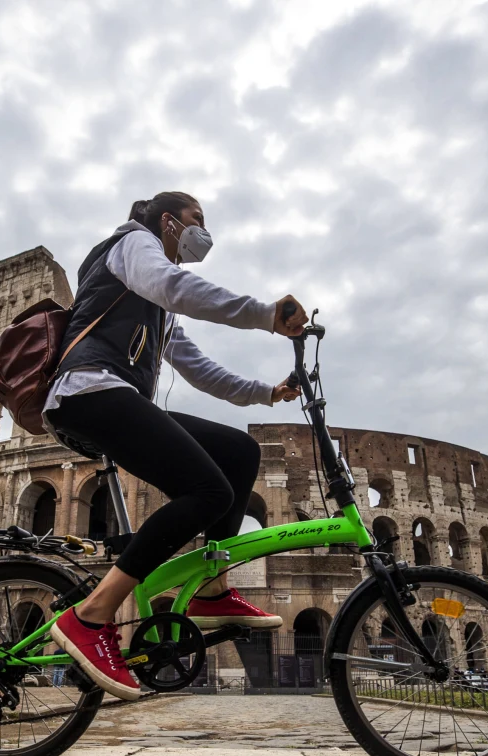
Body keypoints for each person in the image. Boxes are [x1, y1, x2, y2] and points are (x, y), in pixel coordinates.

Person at [45, 192, 308, 701]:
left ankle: (210, 590)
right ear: (167, 222)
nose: (203, 231)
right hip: (87, 390)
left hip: (114, 395)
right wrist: (264, 314)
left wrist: (265, 392)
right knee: (208, 491)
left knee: (239, 453)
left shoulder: (159, 312)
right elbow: (173, 284)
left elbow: (201, 370)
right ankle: (91, 615)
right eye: (196, 220)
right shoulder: (130, 245)